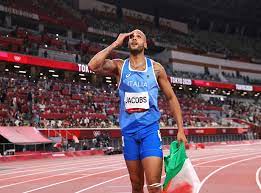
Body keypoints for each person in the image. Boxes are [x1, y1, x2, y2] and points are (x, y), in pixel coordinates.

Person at [88, 29, 187, 193]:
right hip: (129, 134)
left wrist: (181, 129)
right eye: (131, 37)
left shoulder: (156, 69)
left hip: (149, 131)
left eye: (139, 36)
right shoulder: (120, 66)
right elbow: (92, 65)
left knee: (154, 186)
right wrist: (115, 44)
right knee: (136, 186)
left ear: (145, 44)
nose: (134, 38)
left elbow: (171, 98)